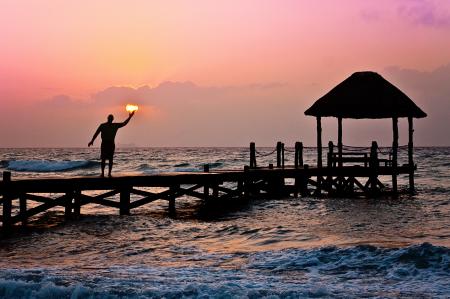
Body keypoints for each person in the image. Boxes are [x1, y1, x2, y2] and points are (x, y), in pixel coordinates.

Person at [88, 112, 135, 177]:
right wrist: (92, 140)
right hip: (104, 143)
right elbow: (96, 133)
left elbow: (124, 123)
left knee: (110, 159)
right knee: (103, 159)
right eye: (109, 118)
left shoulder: (115, 125)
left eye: (111, 118)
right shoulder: (103, 125)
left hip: (111, 144)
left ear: (112, 119)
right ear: (108, 119)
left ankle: (109, 173)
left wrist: (130, 117)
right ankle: (103, 173)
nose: (110, 119)